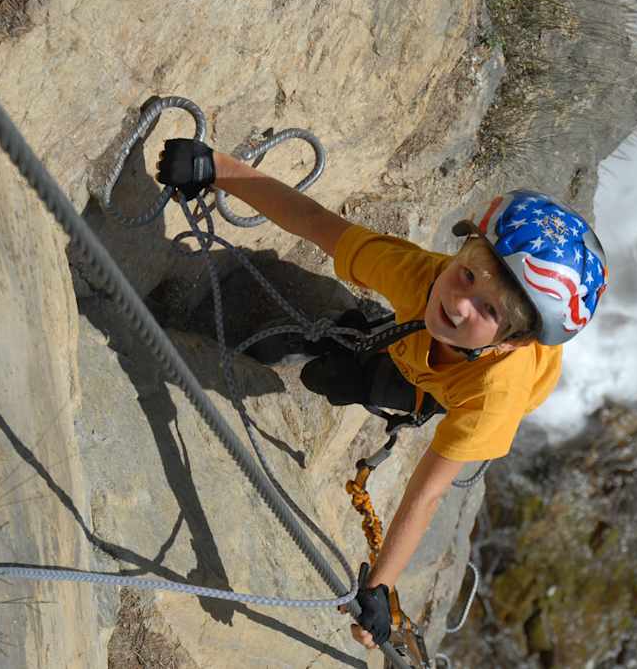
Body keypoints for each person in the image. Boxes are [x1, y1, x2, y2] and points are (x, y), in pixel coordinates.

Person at [156, 138, 608, 650]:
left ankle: (391, 372)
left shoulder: (492, 399)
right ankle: (372, 346)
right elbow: (318, 224)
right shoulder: (420, 277)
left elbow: (428, 491)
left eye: (489, 311)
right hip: (423, 352)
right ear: (458, 254)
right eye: (466, 275)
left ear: (512, 340)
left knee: (350, 377)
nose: (460, 305)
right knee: (335, 371)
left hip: (454, 387)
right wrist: (216, 168)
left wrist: (380, 586)